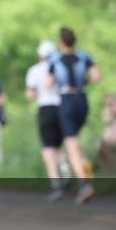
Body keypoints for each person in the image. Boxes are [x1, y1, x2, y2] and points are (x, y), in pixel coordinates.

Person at [46, 27, 102, 205]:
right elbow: (96, 76)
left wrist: (58, 82)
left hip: (67, 99)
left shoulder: (55, 59)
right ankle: (84, 169)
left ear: (61, 42)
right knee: (75, 141)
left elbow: (48, 83)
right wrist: (82, 81)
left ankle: (85, 184)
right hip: (82, 99)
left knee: (71, 145)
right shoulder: (84, 56)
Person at [26, 40, 67, 200]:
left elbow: (30, 95)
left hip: (45, 109)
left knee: (48, 149)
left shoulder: (34, 71)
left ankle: (56, 184)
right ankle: (65, 169)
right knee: (59, 145)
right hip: (61, 107)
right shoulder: (60, 68)